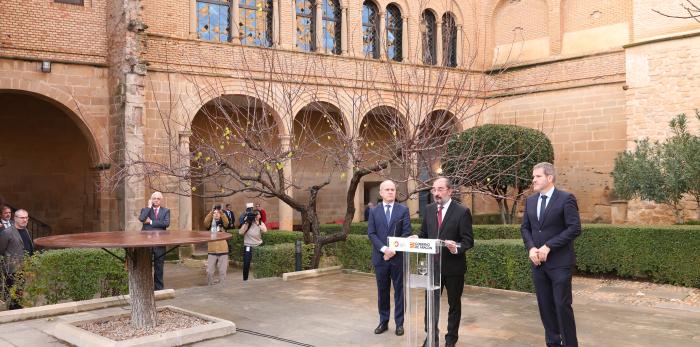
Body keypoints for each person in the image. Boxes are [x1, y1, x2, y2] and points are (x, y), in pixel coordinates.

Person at [520, 162, 581, 347]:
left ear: (549, 178)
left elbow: (574, 228)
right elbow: (525, 228)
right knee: (545, 307)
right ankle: (553, 343)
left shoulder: (566, 198)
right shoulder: (530, 201)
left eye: (537, 176)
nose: (533, 180)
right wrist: (531, 248)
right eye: (533, 177)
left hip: (560, 263)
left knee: (562, 306)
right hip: (538, 264)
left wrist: (549, 246)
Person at [412, 177, 473, 347]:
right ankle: (431, 337)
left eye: (440, 189)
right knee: (430, 305)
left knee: (454, 305)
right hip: (432, 268)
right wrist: (416, 238)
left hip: (454, 268)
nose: (436, 193)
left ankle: (451, 339)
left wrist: (456, 247)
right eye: (434, 190)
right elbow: (424, 233)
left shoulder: (462, 211)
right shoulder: (429, 209)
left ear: (450, 191)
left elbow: (468, 240)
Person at [367, 180, 412, 337]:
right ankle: (383, 321)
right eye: (387, 189)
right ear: (381, 193)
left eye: (392, 189)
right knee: (383, 291)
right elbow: (371, 233)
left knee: (399, 291)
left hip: (398, 258)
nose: (390, 192)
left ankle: (399, 324)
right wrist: (385, 249)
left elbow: (406, 233)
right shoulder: (373, 211)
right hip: (380, 259)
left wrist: (393, 249)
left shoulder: (403, 210)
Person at [0, 209, 34, 309]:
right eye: (22, 218)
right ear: (15, 218)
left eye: (27, 217)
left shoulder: (26, 230)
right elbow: (1, 249)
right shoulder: (7, 232)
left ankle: (17, 308)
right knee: (13, 293)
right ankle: (14, 310)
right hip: (12, 268)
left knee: (20, 290)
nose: (25, 220)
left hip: (24, 266)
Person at [138, 191, 170, 291]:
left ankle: (158, 289)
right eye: (154, 198)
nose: (156, 200)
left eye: (158, 198)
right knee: (145, 266)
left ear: (161, 200)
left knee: (159, 267)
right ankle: (145, 288)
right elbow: (142, 218)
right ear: (151, 199)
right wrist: (148, 207)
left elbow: (166, 223)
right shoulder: (145, 210)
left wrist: (151, 222)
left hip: (160, 243)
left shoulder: (166, 211)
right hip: (147, 243)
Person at [203, 207, 229, 285]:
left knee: (222, 271)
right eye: (215, 213)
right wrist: (211, 213)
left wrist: (221, 213)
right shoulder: (210, 224)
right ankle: (210, 284)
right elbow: (205, 222)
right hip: (212, 250)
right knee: (209, 271)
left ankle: (222, 285)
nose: (216, 214)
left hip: (223, 249)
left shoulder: (223, 224)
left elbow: (226, 222)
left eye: (217, 213)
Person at [238, 209, 267, 281]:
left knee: (259, 263)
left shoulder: (261, 223)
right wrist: (247, 223)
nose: (258, 215)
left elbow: (265, 231)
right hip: (248, 246)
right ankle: (245, 279)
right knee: (246, 263)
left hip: (258, 245)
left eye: (259, 214)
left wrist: (258, 224)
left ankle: (259, 278)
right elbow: (240, 232)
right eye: (257, 214)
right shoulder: (248, 223)